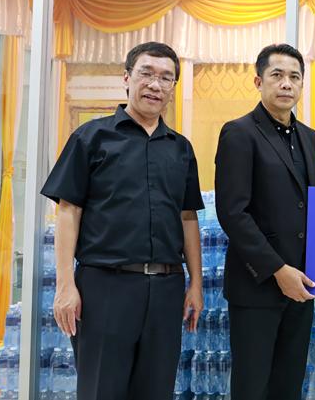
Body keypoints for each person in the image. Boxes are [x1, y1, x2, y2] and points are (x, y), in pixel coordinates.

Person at [42, 42, 203, 400]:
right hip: (104, 287)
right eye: (147, 73)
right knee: (102, 389)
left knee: (156, 390)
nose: (155, 85)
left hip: (166, 289)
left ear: (173, 87)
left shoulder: (181, 148)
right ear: (127, 78)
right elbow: (68, 211)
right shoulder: (91, 137)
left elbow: (188, 217)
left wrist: (196, 283)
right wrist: (65, 285)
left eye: (166, 78)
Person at [215, 43, 315, 400]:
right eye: (277, 75)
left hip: (303, 285)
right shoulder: (239, 133)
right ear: (258, 81)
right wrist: (278, 269)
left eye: (295, 77)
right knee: (252, 387)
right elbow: (233, 213)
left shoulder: (310, 138)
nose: (286, 83)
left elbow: (306, 201)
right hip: (257, 286)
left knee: (288, 386)